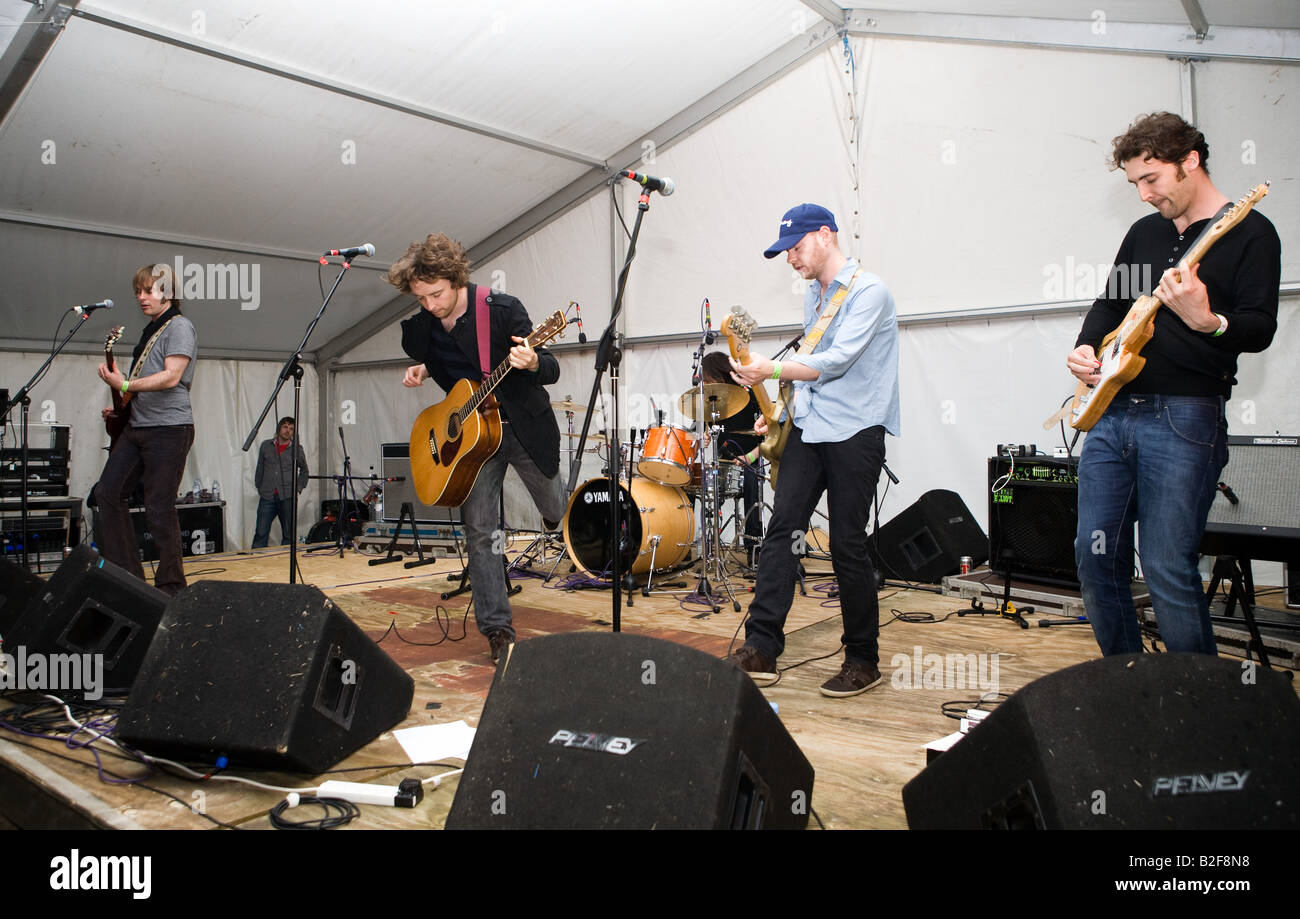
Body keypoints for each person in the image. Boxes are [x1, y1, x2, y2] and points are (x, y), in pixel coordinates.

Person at [1067, 112, 1280, 657]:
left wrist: (1209, 320)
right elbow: (1112, 304)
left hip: (1185, 417)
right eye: (1134, 182)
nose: (1142, 194)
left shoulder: (1251, 232)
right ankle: (1129, 685)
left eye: (1151, 179)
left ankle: (1194, 712)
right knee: (1095, 560)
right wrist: (1088, 347)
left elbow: (1258, 328)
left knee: (1166, 565)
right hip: (1111, 413)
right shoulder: (1145, 233)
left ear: (1190, 162)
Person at [726, 204, 900, 697]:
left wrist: (771, 372)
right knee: (782, 530)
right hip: (809, 425)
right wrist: (780, 410)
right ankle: (761, 648)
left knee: (846, 542)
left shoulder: (870, 291)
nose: (791, 259)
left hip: (856, 430)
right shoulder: (814, 295)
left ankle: (863, 659)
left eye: (796, 247)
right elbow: (810, 362)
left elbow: (837, 361)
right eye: (786, 252)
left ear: (825, 235)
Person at [390, 233, 566, 662]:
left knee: (560, 512)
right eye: (421, 298)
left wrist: (533, 361)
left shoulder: (503, 310)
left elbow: (551, 369)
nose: (430, 305)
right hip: (473, 442)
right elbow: (458, 364)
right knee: (482, 533)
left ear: (456, 280)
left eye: (436, 295)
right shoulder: (429, 324)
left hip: (522, 429)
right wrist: (425, 370)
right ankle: (497, 629)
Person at [95, 263, 198, 596]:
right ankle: (128, 577)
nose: (142, 297)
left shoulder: (179, 327)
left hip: (169, 429)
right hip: (138, 425)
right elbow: (141, 382)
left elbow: (170, 377)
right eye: (138, 291)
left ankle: (171, 587)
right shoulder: (149, 331)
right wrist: (123, 403)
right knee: (107, 493)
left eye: (148, 290)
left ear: (166, 292)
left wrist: (124, 382)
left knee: (158, 507)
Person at [699, 351, 763, 564]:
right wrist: (707, 436)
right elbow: (712, 428)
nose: (706, 382)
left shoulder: (750, 392)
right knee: (697, 483)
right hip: (722, 462)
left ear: (720, 373)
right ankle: (707, 545)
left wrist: (752, 456)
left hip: (749, 460)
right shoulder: (713, 400)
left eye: (708, 377)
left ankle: (754, 546)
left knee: (752, 483)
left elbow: (771, 432)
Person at [252, 416, 309, 547]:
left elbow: (305, 472)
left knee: (289, 534)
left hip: (288, 497)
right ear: (279, 428)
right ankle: (255, 562)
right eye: (285, 427)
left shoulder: (296, 449)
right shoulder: (266, 446)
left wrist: (298, 489)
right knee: (261, 532)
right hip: (267, 496)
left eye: (291, 429)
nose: (287, 431)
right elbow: (259, 468)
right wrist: (259, 486)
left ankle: (285, 562)